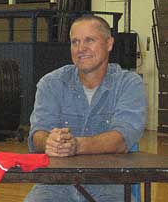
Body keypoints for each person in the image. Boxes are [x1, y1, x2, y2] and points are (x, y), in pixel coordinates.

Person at [24, 15, 147, 202]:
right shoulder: (51, 83)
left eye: (90, 40)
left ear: (109, 43)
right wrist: (49, 141)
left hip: (109, 183)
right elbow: (37, 134)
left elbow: (122, 139)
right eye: (75, 42)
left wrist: (77, 145)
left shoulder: (129, 84)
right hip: (55, 184)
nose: (81, 48)